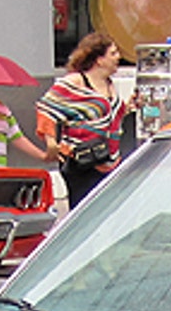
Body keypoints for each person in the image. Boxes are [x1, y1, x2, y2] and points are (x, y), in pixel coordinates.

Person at [36, 32, 134, 207]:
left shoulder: (109, 84)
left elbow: (106, 118)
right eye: (113, 53)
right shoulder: (75, 82)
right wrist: (51, 142)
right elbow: (47, 108)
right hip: (83, 161)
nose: (118, 57)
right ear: (98, 59)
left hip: (110, 159)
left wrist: (128, 106)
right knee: (85, 209)